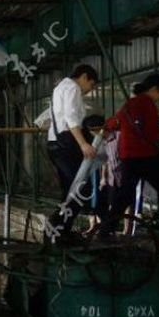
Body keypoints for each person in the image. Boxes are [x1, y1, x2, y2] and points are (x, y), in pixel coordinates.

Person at [100, 74, 159, 251]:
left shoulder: (129, 105)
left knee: (124, 197)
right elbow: (152, 135)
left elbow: (111, 123)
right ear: (153, 90)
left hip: (127, 158)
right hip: (145, 156)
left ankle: (104, 233)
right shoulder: (147, 104)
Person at [45, 64, 99, 243]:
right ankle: (59, 227)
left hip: (56, 144)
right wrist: (84, 144)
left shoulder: (60, 87)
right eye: (91, 85)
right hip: (66, 146)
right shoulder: (72, 87)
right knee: (81, 189)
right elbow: (71, 118)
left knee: (70, 190)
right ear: (84, 77)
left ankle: (59, 230)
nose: (88, 90)